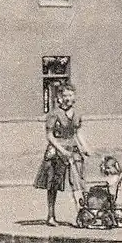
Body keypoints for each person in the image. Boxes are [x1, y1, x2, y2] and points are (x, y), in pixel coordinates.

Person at [33, 83, 91, 226]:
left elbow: (77, 132)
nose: (67, 98)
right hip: (57, 150)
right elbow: (49, 135)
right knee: (53, 183)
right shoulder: (54, 114)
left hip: (73, 149)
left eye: (70, 95)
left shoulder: (77, 114)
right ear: (60, 97)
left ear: (74, 96)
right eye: (64, 95)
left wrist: (85, 147)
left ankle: (82, 215)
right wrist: (61, 150)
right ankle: (51, 216)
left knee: (78, 182)